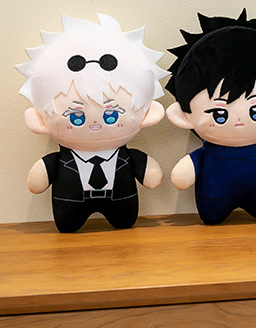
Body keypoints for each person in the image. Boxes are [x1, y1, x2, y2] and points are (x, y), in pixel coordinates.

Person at [18, 13, 167, 232]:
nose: (95, 124)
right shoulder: (61, 162)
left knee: (125, 222)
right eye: (75, 117)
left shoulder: (128, 158)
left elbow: (151, 178)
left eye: (111, 115)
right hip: (69, 207)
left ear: (149, 115)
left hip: (122, 206)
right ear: (39, 121)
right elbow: (37, 182)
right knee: (67, 226)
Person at [165, 10, 256, 224]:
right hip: (215, 200)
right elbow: (182, 178)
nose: (239, 122)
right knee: (212, 215)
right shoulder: (205, 154)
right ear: (183, 116)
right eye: (219, 114)